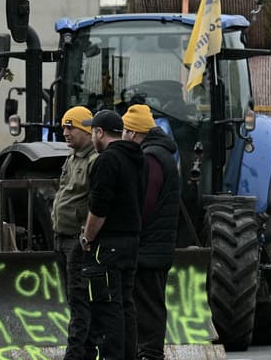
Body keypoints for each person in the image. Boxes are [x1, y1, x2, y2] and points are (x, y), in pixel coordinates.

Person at [80, 109, 145, 360]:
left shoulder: (107, 161)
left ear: (99, 133)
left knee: (107, 308)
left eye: (92, 132)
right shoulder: (137, 158)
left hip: (107, 246)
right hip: (131, 241)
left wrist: (87, 237)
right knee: (126, 305)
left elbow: (99, 207)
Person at [121, 104, 179, 360]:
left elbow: (146, 201)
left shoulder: (152, 157)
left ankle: (152, 353)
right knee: (147, 303)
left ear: (134, 133)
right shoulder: (159, 153)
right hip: (153, 245)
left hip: (149, 248)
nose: (121, 135)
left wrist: (128, 226)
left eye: (124, 130)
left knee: (149, 306)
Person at [51, 106, 98, 360]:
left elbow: (96, 202)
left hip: (77, 242)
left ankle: (77, 354)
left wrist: (85, 235)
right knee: (73, 299)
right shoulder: (72, 158)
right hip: (62, 237)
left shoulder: (93, 160)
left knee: (80, 301)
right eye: (64, 128)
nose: (66, 133)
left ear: (86, 129)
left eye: (71, 127)